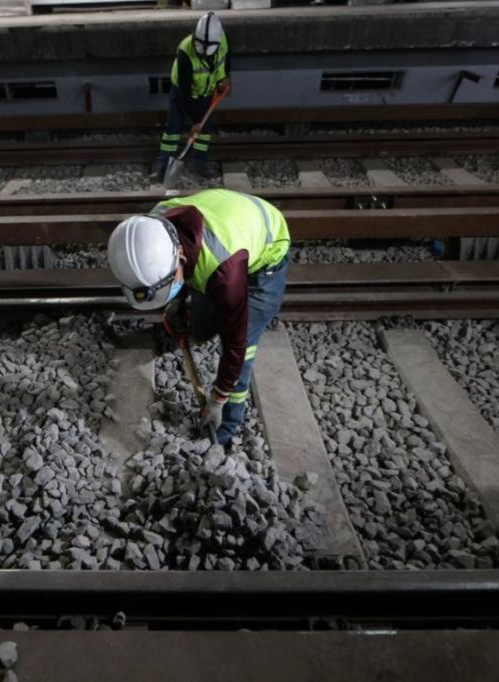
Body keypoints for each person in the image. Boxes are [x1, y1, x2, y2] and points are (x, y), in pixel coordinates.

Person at [107, 189, 291, 446]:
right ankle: (200, 328)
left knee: (244, 341)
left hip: (268, 245)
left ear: (180, 256)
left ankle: (226, 425)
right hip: (227, 224)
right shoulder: (150, 232)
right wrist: (178, 302)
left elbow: (235, 344)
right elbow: (176, 275)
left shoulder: (223, 272)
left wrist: (217, 399)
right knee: (202, 328)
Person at [149, 12, 231, 183]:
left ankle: (198, 165)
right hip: (182, 93)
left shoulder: (222, 39)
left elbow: (226, 58)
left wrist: (226, 77)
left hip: (207, 91)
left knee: (205, 130)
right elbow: (186, 93)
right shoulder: (185, 51)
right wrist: (194, 121)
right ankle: (162, 167)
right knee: (173, 129)